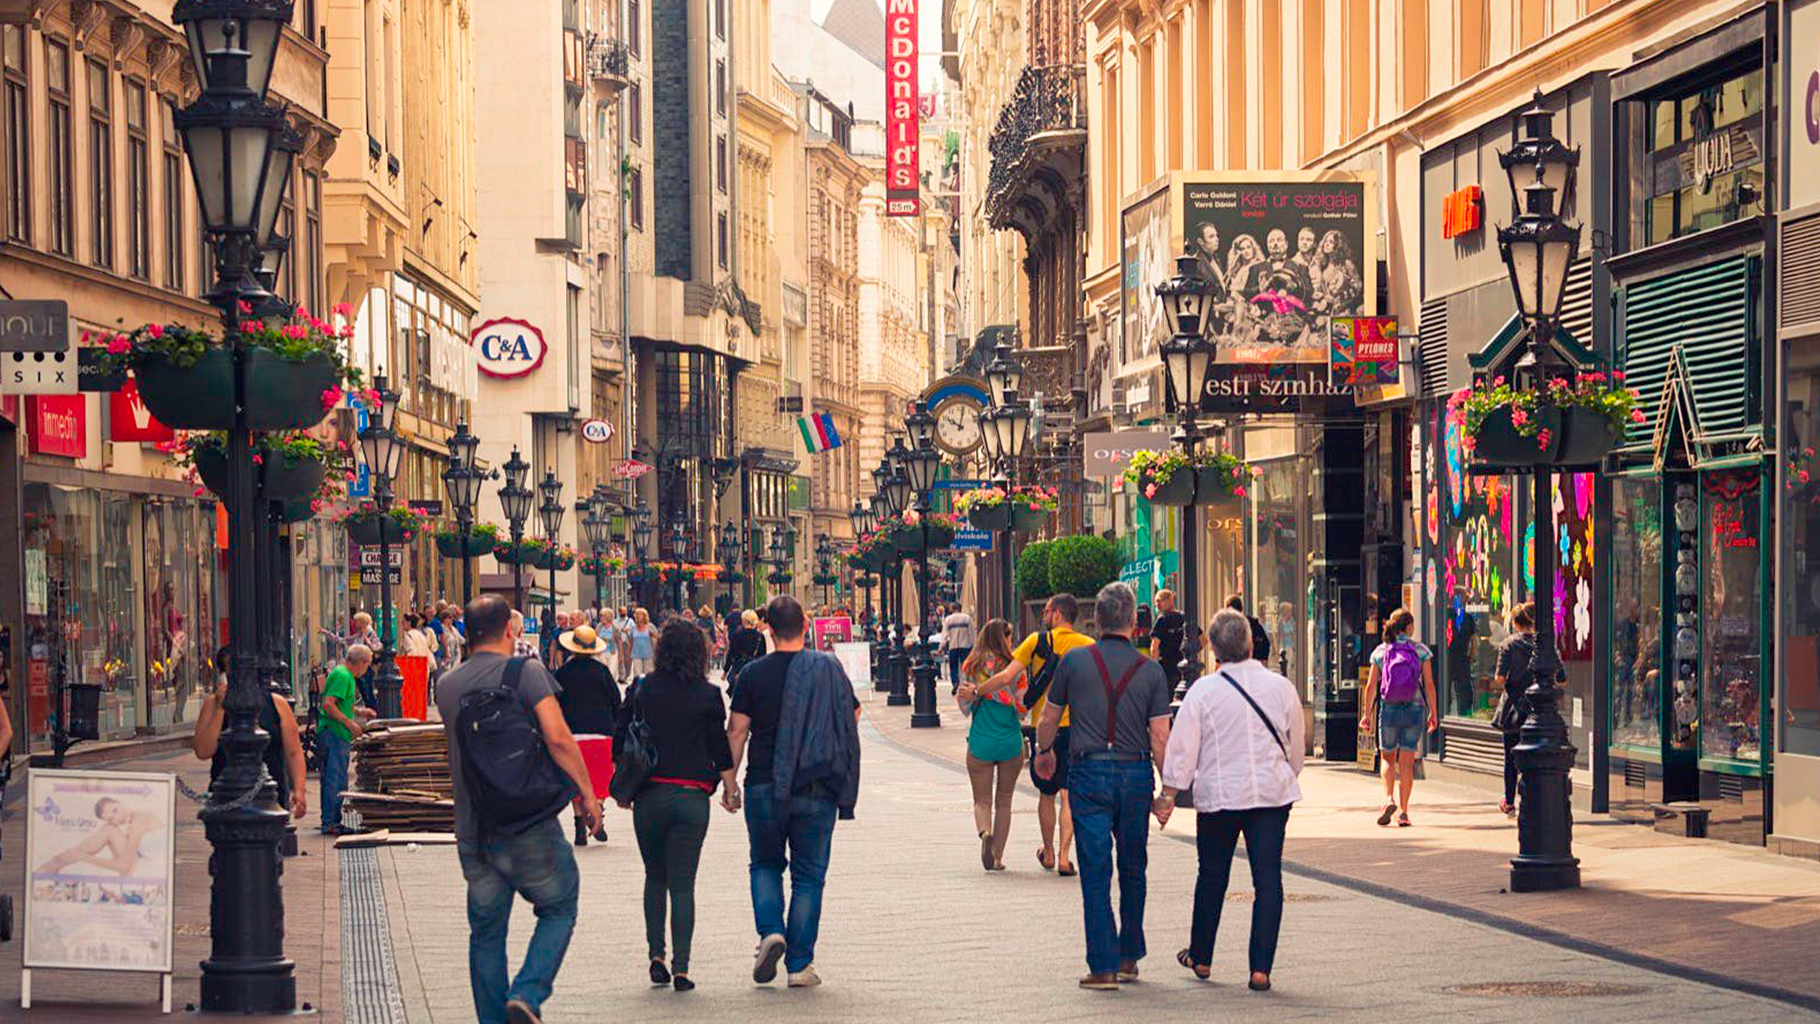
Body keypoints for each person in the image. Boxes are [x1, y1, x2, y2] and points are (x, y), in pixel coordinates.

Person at [435, 594, 602, 1024]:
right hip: (527, 822)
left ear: (467, 634)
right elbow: (559, 738)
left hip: (474, 828)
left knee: (487, 934)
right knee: (559, 906)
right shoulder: (526, 673)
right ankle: (526, 993)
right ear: (510, 630)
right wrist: (587, 794)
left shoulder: (447, 686)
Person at [1030, 582, 1173, 990]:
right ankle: (1129, 956)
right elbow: (1160, 738)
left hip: (1088, 774)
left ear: (1097, 622)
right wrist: (1167, 793)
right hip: (1134, 775)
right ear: (1134, 622)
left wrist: (1044, 752)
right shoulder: (1150, 671)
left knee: (1095, 869)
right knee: (1133, 866)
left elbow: (1048, 718)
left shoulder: (1074, 662)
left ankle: (1103, 966)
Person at [1159, 609, 1304, 991]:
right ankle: (1260, 969)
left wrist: (1169, 794)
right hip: (1270, 796)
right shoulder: (1281, 688)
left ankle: (1202, 956)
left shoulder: (1203, 691)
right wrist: (1285, 774)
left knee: (1212, 874)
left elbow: (1182, 750)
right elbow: (1297, 751)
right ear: (1251, 644)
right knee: (1268, 878)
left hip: (1220, 797)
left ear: (1214, 651)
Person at [725, 595, 861, 989]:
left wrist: (730, 782)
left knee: (765, 863)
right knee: (808, 876)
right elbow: (850, 713)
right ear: (806, 626)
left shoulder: (752, 674)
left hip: (765, 783)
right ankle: (800, 965)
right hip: (816, 784)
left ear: (768, 628)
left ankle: (771, 931)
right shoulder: (828, 668)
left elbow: (737, 730)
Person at [616, 619, 737, 992]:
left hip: (649, 795)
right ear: (700, 653)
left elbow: (619, 738)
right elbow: (719, 749)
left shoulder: (641, 689)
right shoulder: (708, 695)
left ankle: (656, 955)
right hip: (691, 798)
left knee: (655, 877)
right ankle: (682, 968)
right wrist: (731, 789)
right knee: (683, 884)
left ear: (661, 650)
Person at [976, 593, 1093, 876]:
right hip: (1079, 727)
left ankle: (1049, 851)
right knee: (1069, 794)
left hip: (1047, 727)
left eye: (1047, 610)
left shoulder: (1035, 641)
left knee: (1046, 792)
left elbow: (1006, 677)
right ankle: (1066, 857)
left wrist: (978, 691)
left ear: (1056, 614)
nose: (1044, 615)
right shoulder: (1089, 645)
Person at [192, 645, 308, 822]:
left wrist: (299, 790)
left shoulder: (276, 704)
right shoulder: (212, 705)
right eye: (230, 666)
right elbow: (203, 750)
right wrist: (221, 708)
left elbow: (294, 752)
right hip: (227, 797)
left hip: (271, 795)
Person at [1358, 608, 1437, 828]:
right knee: (1407, 762)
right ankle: (1403, 812)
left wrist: (1366, 714)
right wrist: (1434, 713)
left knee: (1387, 758)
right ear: (1409, 627)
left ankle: (1388, 799)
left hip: (1389, 708)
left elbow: (1371, 686)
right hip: (1414, 709)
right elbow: (1429, 684)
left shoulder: (1381, 651)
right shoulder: (1421, 651)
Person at [955, 619, 1024, 871]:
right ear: (1002, 638)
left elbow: (964, 706)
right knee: (1004, 801)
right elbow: (1022, 708)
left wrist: (978, 694)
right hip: (1010, 742)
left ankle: (985, 833)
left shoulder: (971, 665)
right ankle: (996, 857)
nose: (1012, 641)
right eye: (1009, 636)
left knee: (981, 800)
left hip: (981, 741)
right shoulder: (1015, 667)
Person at [554, 624, 621, 846]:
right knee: (600, 777)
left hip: (572, 733)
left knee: (576, 779)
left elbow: (555, 703)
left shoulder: (562, 672)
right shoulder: (601, 671)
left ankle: (578, 825)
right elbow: (616, 701)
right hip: (601, 732)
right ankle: (598, 812)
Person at [317, 644, 374, 835]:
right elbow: (329, 705)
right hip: (334, 733)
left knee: (333, 778)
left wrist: (359, 711)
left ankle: (330, 819)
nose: (367, 670)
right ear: (361, 663)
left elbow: (341, 703)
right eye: (368, 665)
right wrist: (350, 723)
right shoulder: (343, 676)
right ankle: (331, 822)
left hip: (333, 733)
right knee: (336, 778)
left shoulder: (342, 673)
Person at [1493, 602, 1536, 818]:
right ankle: (1533, 798)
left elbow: (1500, 678)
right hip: (1538, 709)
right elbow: (1561, 679)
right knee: (1535, 755)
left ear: (1515, 622)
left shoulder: (1508, 645)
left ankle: (1509, 802)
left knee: (1510, 758)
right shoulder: (1543, 644)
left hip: (1513, 708)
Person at [1149, 589, 1185, 694]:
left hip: (1166, 668)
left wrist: (1155, 669)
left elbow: (1154, 647)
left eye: (1160, 600)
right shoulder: (1184, 617)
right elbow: (1203, 640)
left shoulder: (1162, 620)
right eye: (1156, 602)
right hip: (1183, 667)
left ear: (1170, 600)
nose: (1157, 604)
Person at [725, 609, 766, 692]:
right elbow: (763, 656)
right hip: (755, 670)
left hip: (739, 669)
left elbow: (731, 653)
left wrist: (726, 670)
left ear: (744, 620)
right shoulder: (760, 636)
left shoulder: (737, 634)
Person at [941, 603, 976, 695]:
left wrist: (941, 647)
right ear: (961, 608)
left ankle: (955, 683)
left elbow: (944, 635)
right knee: (965, 666)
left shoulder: (948, 619)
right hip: (965, 646)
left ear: (952, 609)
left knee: (953, 667)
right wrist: (973, 645)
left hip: (953, 646)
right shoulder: (967, 618)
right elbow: (971, 633)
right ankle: (965, 683)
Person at [1226, 595, 1272, 664]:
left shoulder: (1227, 627)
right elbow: (1266, 644)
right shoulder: (1254, 624)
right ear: (1241, 608)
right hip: (1253, 665)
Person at [627, 608, 657, 680]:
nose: (638, 616)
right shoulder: (633, 628)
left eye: (640, 615)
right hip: (636, 654)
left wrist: (653, 636)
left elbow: (657, 637)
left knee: (648, 674)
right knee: (637, 675)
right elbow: (630, 642)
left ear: (644, 616)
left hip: (648, 654)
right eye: (637, 615)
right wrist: (628, 655)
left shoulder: (650, 627)